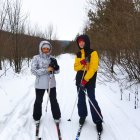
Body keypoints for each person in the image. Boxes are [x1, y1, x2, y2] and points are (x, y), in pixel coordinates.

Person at [74, 34, 103, 133]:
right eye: (79, 42)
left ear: (86, 41)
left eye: (82, 41)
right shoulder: (78, 54)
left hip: (89, 79)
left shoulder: (93, 52)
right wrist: (83, 62)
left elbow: (93, 68)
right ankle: (82, 115)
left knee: (91, 99)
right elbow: (75, 67)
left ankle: (98, 120)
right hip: (79, 78)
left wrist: (85, 80)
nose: (81, 43)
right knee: (81, 99)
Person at [31, 40, 61, 125]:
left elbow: (57, 72)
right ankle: (36, 117)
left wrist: (56, 67)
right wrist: (46, 70)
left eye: (47, 48)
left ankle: (56, 116)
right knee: (38, 101)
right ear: (41, 48)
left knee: (53, 100)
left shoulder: (53, 58)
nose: (46, 50)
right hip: (39, 84)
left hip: (51, 83)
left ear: (50, 49)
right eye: (44, 48)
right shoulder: (36, 58)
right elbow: (33, 71)